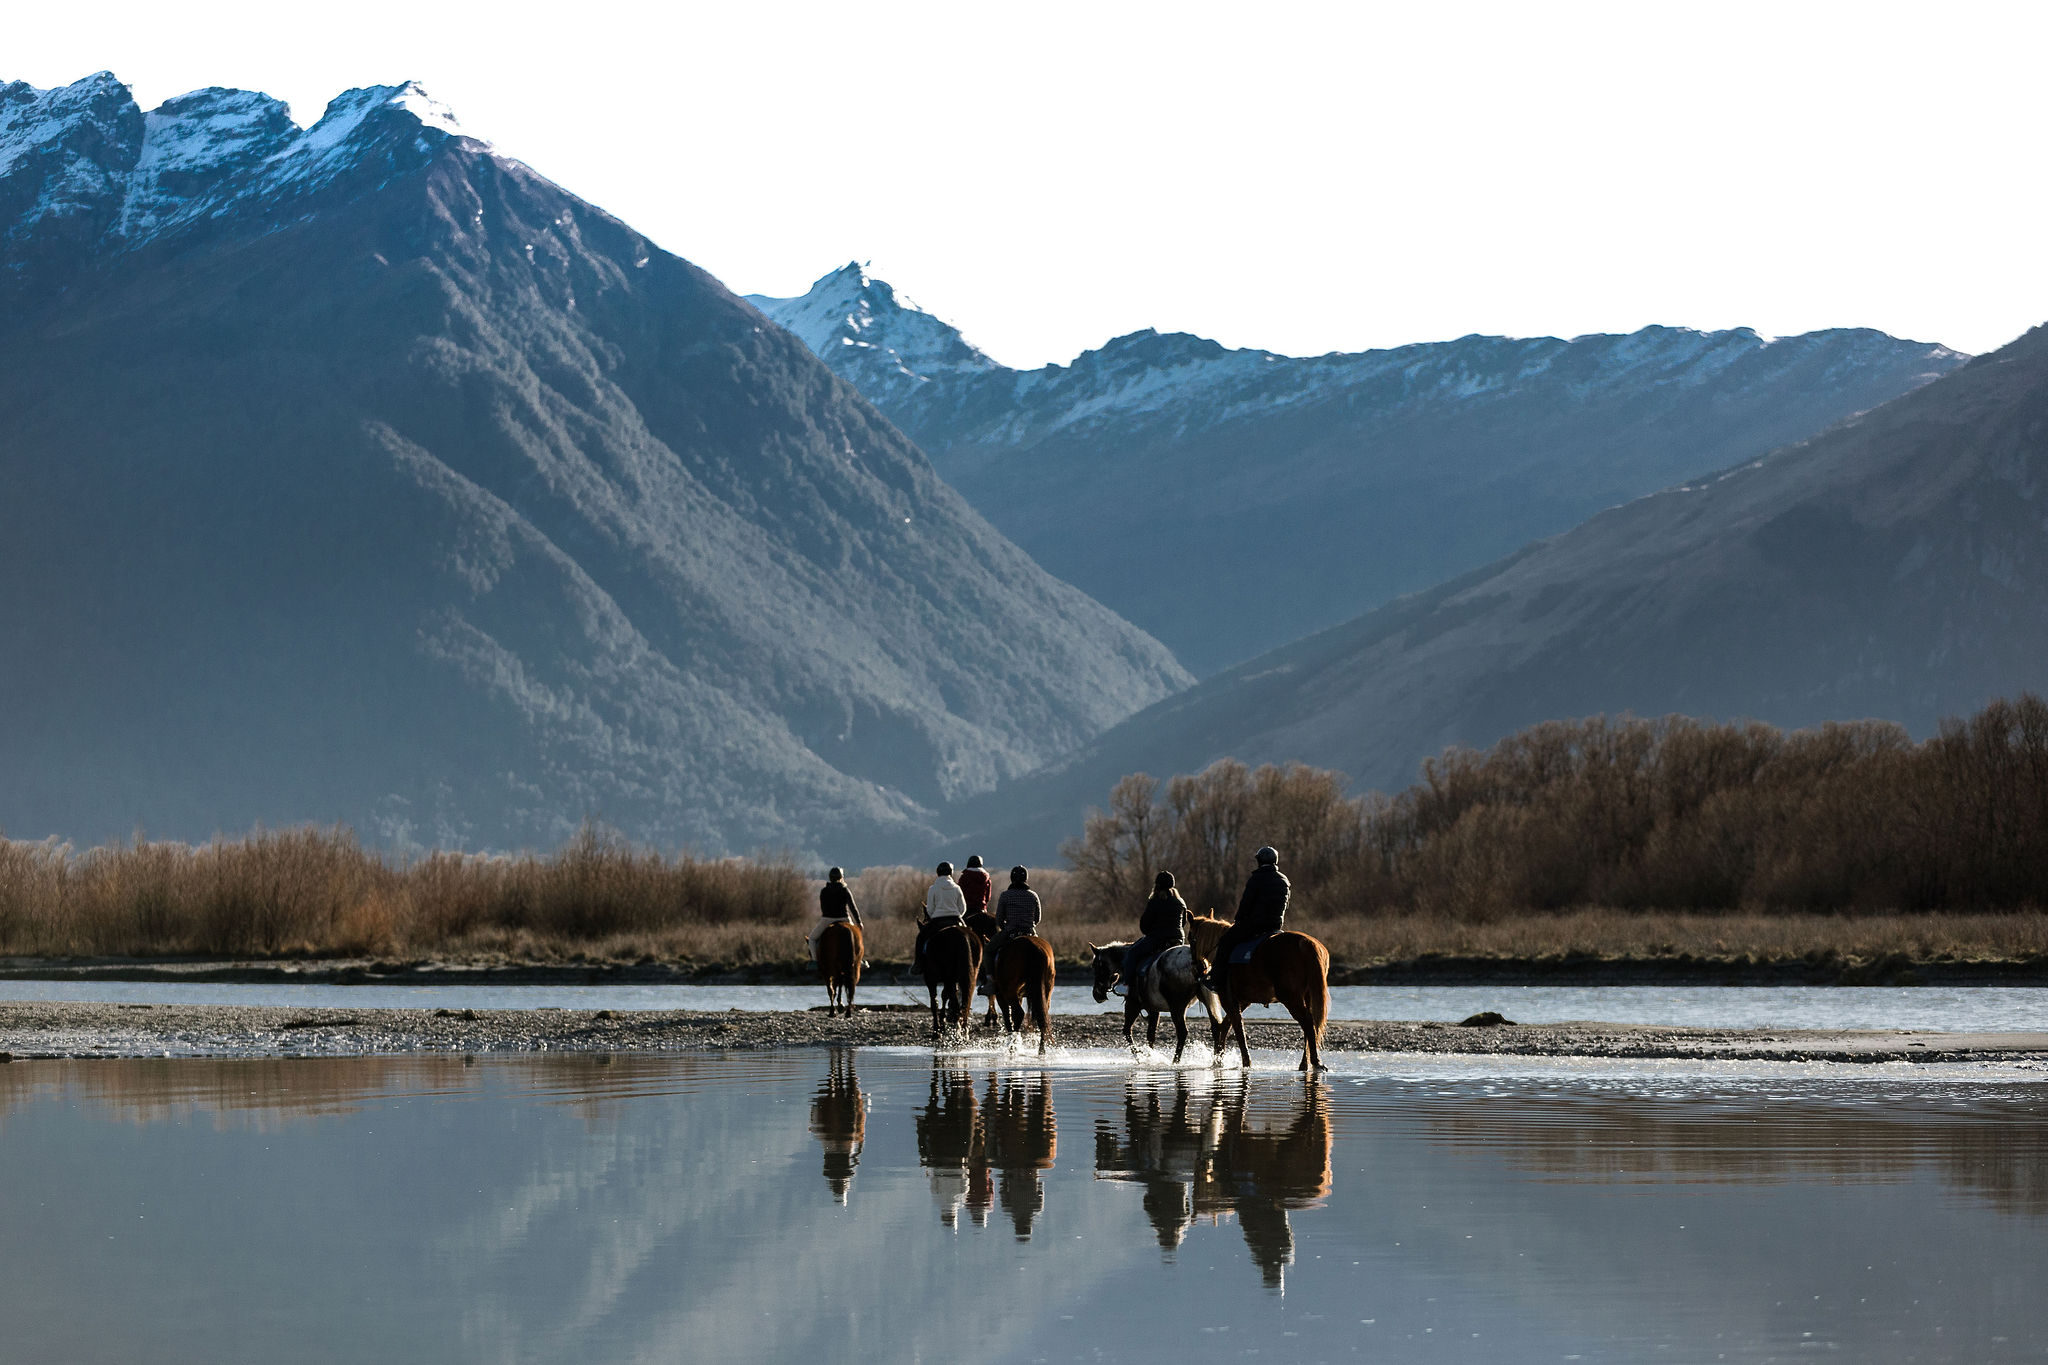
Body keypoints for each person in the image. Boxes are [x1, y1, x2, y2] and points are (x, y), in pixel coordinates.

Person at [1202, 847, 1289, 991]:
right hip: (1275, 925)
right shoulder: (1284, 880)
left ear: (1259, 861)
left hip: (1255, 924)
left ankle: (1215, 979)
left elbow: (1246, 904)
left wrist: (1239, 920)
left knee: (1225, 942)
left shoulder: (1256, 879)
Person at [1116, 870, 1189, 998]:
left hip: (1158, 939)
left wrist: (1153, 933)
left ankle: (1126, 985)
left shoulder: (1155, 901)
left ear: (1157, 886)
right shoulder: (1181, 902)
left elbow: (1144, 926)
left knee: (1132, 953)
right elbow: (1183, 923)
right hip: (1178, 940)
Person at [982, 865, 1042, 984]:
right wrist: (1030, 925)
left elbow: (999, 918)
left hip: (1010, 931)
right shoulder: (1033, 895)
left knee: (988, 951)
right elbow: (1038, 918)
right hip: (1030, 931)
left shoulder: (1005, 895)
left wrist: (1005, 927)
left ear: (1011, 878)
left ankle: (990, 982)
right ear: (1026, 878)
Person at [915, 861, 968, 974]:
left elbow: (930, 909)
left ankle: (918, 964)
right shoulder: (957, 888)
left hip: (937, 920)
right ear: (951, 873)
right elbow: (963, 908)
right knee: (969, 939)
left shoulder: (933, 888)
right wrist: (957, 915)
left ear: (938, 873)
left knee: (921, 938)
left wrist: (935, 916)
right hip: (956, 919)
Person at [808, 866, 863, 964]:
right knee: (856, 937)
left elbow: (823, 908)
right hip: (844, 918)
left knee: (812, 939)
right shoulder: (845, 890)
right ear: (841, 877)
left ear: (830, 878)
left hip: (827, 919)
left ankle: (815, 961)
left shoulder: (824, 891)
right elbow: (852, 907)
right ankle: (860, 960)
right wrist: (859, 922)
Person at [958, 854, 993, 919]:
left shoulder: (964, 877)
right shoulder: (987, 878)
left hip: (967, 909)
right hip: (981, 909)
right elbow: (988, 897)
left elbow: (960, 894)